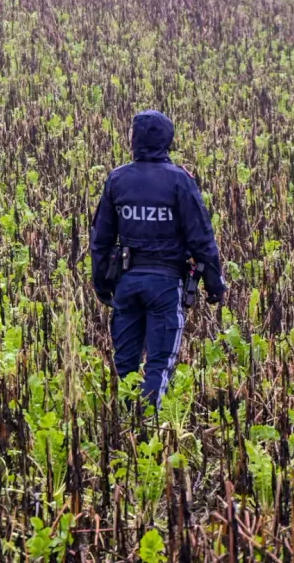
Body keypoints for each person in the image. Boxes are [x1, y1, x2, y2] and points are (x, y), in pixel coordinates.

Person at [91, 110, 225, 410]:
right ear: (168, 140)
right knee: (160, 364)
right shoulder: (180, 180)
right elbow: (201, 238)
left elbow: (100, 239)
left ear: (134, 139)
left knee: (125, 365)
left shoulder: (117, 179)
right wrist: (214, 284)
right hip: (165, 286)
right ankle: (147, 423)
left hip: (126, 284)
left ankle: (126, 421)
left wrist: (101, 283)